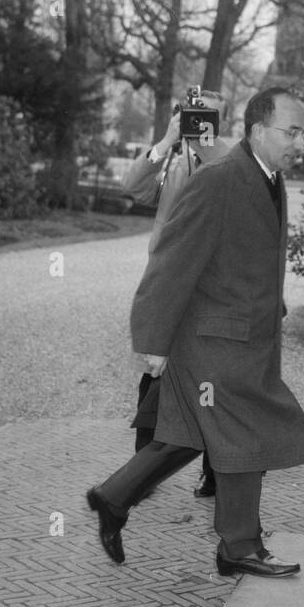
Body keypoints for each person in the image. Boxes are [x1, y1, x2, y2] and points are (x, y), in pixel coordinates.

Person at [86, 87, 304, 577]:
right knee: (244, 434)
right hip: (213, 342)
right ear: (256, 130)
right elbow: (172, 263)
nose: (301, 142)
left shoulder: (268, 178)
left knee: (190, 435)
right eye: (291, 131)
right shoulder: (220, 179)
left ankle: (114, 498)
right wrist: (153, 341)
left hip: (244, 337)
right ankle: (239, 546)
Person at [119, 95, 236, 501]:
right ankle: (141, 475)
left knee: (213, 380)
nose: (199, 121)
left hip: (209, 287)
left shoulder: (230, 157)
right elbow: (132, 188)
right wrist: (167, 139)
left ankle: (215, 474)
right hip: (168, 282)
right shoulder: (172, 157)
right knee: (154, 376)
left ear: (223, 119)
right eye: (193, 112)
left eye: (209, 114)